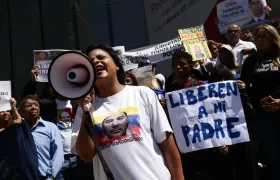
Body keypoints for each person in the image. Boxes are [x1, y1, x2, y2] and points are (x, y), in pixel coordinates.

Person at [74, 43, 184, 180]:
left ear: (117, 65)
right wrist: (86, 111)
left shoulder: (143, 94)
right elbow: (85, 155)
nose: (96, 61)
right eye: (90, 61)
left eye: (101, 57)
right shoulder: (84, 108)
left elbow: (168, 145)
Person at [240, 24, 280, 180]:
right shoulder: (250, 61)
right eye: (258, 37)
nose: (260, 40)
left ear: (273, 38)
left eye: (265, 36)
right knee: (271, 159)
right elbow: (244, 88)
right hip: (262, 118)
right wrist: (244, 89)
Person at [19, 95, 64, 179]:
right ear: (20, 111)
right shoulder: (18, 130)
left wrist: (50, 176)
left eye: (36, 105)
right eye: (28, 105)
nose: (33, 108)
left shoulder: (50, 127)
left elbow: (58, 154)